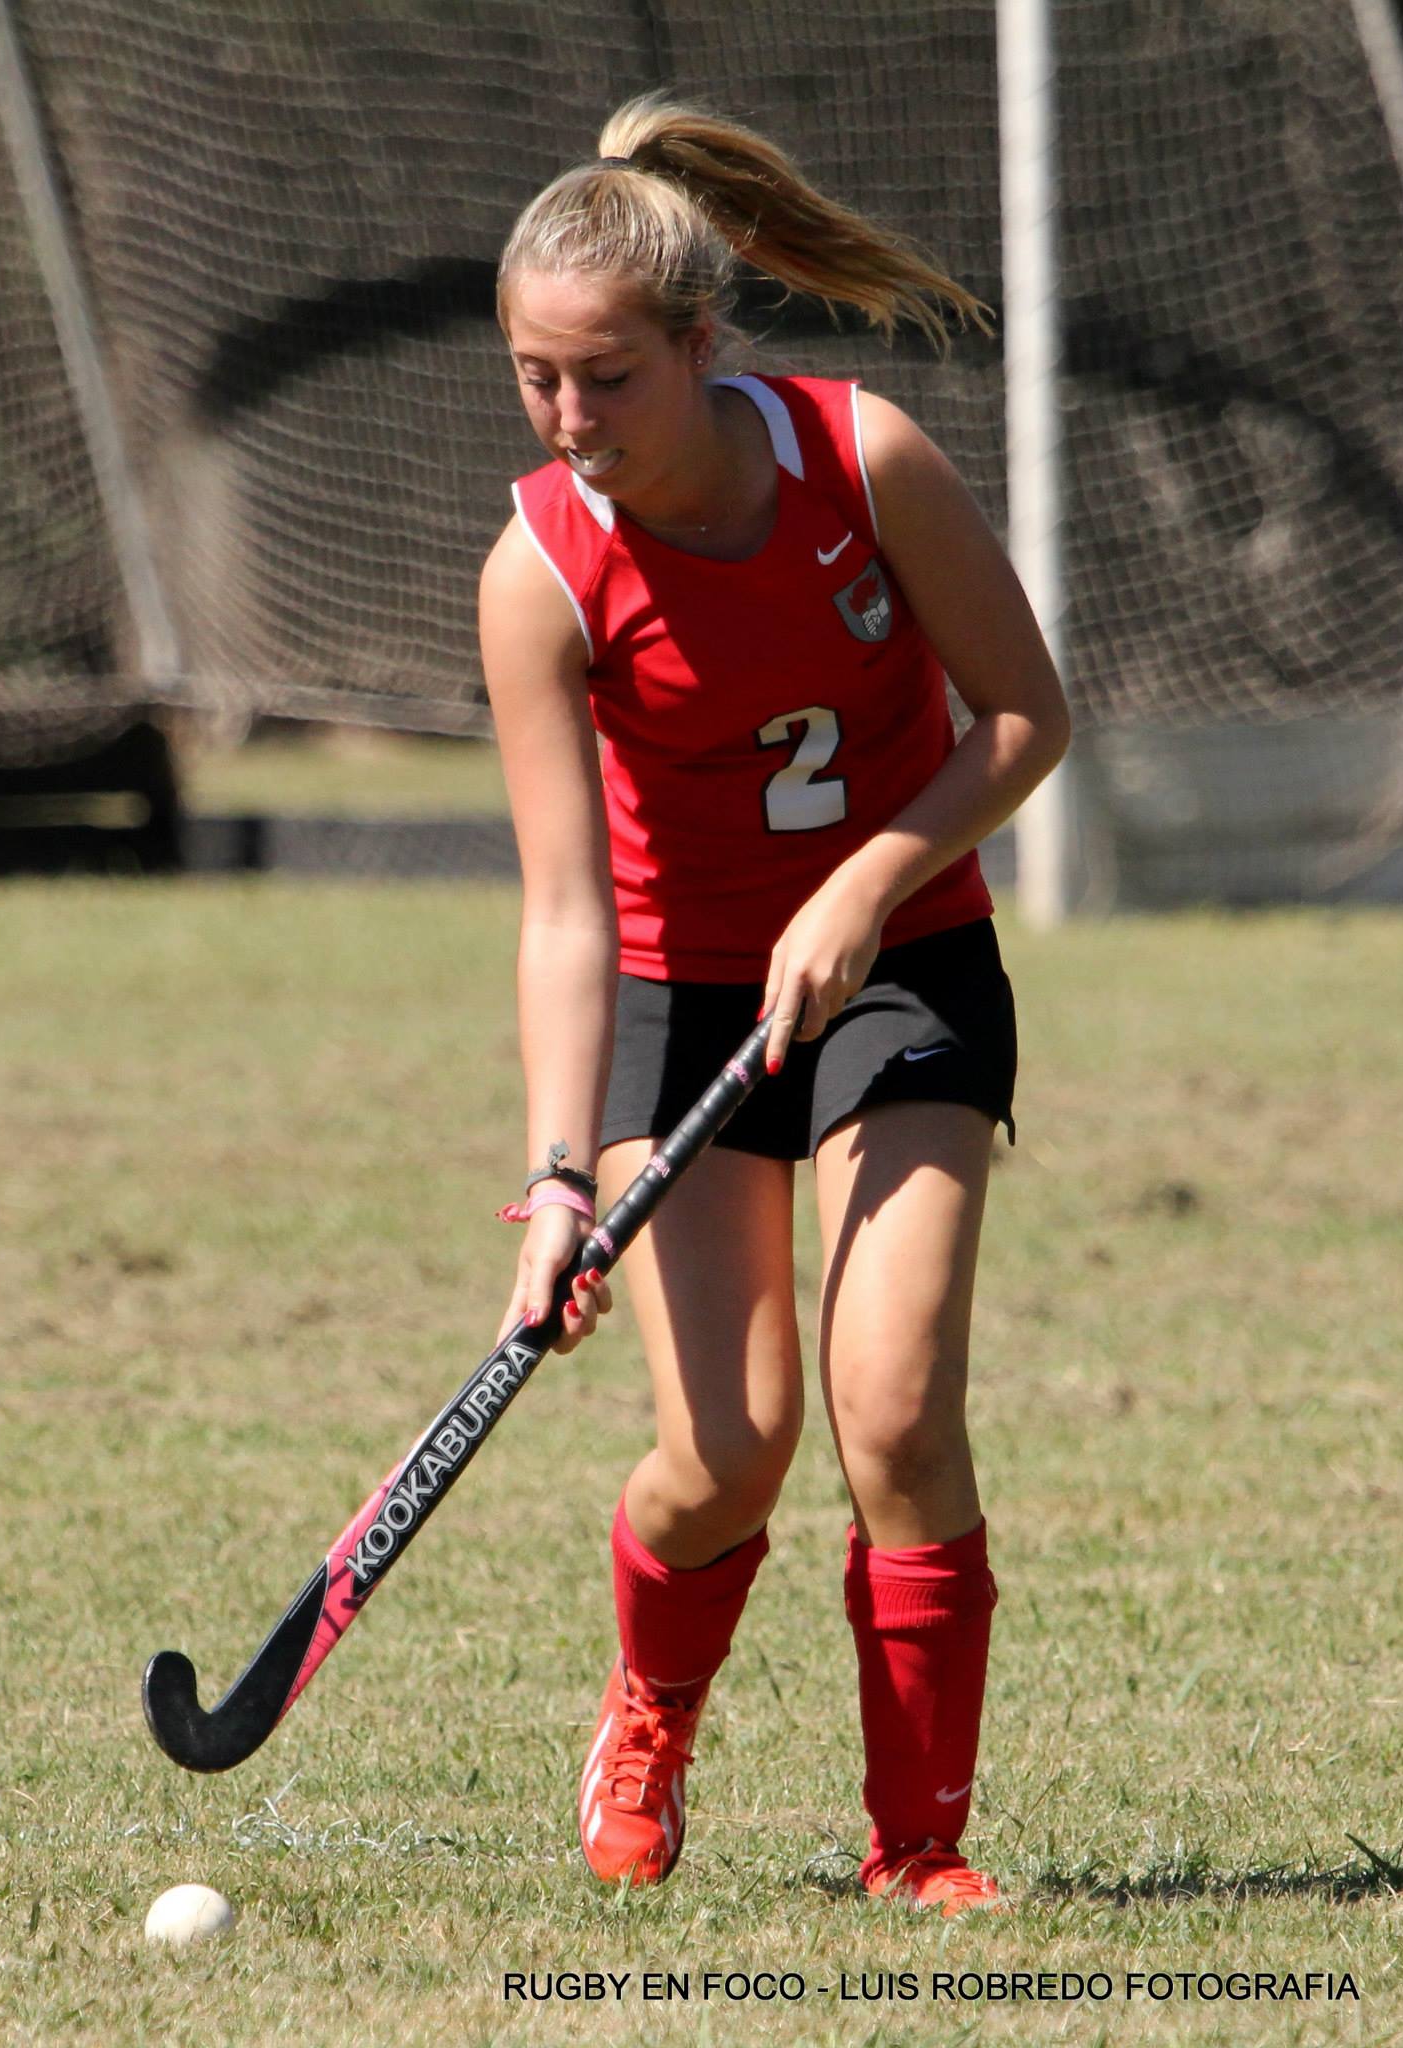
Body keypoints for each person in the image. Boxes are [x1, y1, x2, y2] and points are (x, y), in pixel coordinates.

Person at [479, 95, 1069, 1917]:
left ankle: (919, 1850)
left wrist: (866, 883)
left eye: (606, 382)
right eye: (533, 382)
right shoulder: (537, 571)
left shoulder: (859, 458)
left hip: (900, 964)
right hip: (678, 993)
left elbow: (1026, 720)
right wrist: (560, 1182)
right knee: (725, 1454)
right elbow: (569, 911)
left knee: (889, 1411)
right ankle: (647, 1706)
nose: (572, 424)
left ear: (698, 345)